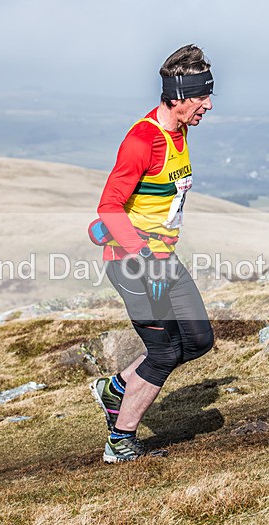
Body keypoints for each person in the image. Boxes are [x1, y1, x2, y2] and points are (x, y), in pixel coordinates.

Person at [89, 44, 216, 463]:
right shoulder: (142, 141)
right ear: (178, 97)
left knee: (197, 339)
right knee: (163, 351)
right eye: (201, 97)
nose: (209, 105)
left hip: (162, 259)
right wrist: (144, 255)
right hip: (132, 262)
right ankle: (121, 442)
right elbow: (109, 207)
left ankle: (117, 388)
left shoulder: (180, 129)